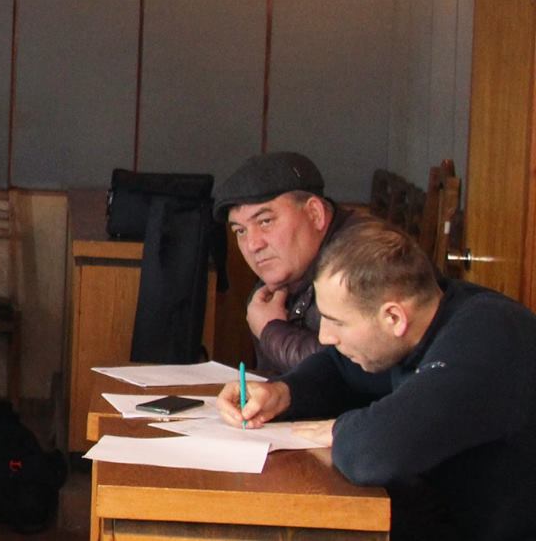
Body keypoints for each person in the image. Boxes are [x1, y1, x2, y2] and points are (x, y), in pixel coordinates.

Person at [219, 217, 536, 541]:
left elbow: (377, 454)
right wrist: (283, 392)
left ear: (394, 317)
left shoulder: (489, 336)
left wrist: (338, 429)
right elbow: (340, 369)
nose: (325, 336)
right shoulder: (424, 320)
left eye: (337, 322)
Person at [214, 151, 364, 374]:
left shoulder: (367, 259)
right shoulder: (285, 269)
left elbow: (356, 369)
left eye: (265, 221)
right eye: (240, 231)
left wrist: (271, 331)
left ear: (315, 214)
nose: (253, 245)